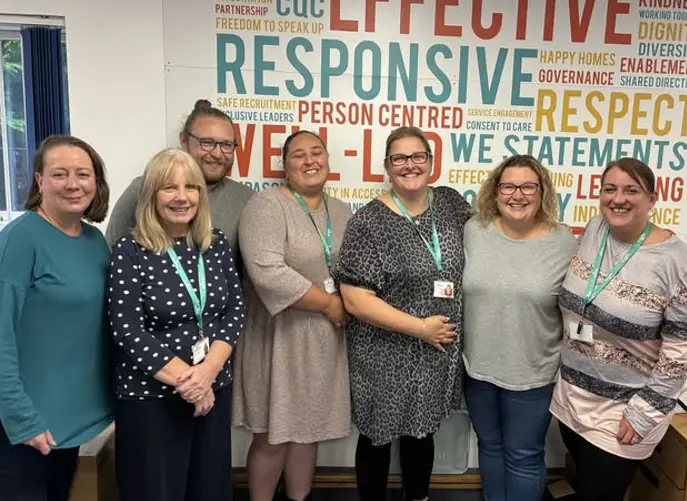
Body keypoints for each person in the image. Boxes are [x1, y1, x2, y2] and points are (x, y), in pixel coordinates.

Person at [550, 158, 687, 501]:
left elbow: (680, 351)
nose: (618, 199)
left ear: (652, 199)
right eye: (610, 189)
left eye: (631, 190)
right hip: (571, 399)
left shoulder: (678, 262)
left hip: (624, 410)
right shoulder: (595, 230)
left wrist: (645, 412)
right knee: (584, 485)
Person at [336, 126, 471, 501]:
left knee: (421, 431)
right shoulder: (368, 222)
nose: (409, 165)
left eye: (417, 156)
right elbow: (355, 299)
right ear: (387, 166)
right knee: (377, 436)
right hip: (384, 352)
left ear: (431, 161)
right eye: (399, 158)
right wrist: (420, 328)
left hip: (434, 351)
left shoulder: (450, 204)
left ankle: (418, 497)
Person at [108, 148, 245, 501]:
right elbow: (127, 329)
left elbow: (234, 310)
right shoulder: (130, 249)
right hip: (151, 399)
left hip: (212, 393)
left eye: (191, 187)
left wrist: (207, 374)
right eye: (169, 187)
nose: (182, 197)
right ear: (151, 195)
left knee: (210, 490)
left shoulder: (214, 243)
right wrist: (191, 382)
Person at [232, 130, 352, 501]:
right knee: (274, 434)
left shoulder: (342, 210)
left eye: (317, 152)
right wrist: (330, 304)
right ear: (285, 165)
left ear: (328, 160)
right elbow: (267, 271)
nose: (310, 160)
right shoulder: (267, 205)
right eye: (299, 155)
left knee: (308, 429)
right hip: (278, 336)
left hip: (324, 340)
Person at [0, 135, 113, 501]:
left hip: (68, 421)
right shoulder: (20, 240)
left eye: (83, 174)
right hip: (23, 425)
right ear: (39, 181)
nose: (72, 184)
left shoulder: (94, 242)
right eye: (59, 174)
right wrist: (22, 418)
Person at [462, 155, 577, 501]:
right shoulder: (474, 231)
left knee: (523, 457)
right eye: (508, 186)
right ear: (495, 191)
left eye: (528, 186)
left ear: (542, 192)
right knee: (489, 446)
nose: (517, 195)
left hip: (533, 374)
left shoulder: (564, 242)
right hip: (478, 369)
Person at [105, 99, 255, 270]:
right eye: (207, 143)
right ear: (184, 140)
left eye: (226, 145)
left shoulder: (247, 199)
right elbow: (112, 255)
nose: (217, 154)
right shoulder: (143, 188)